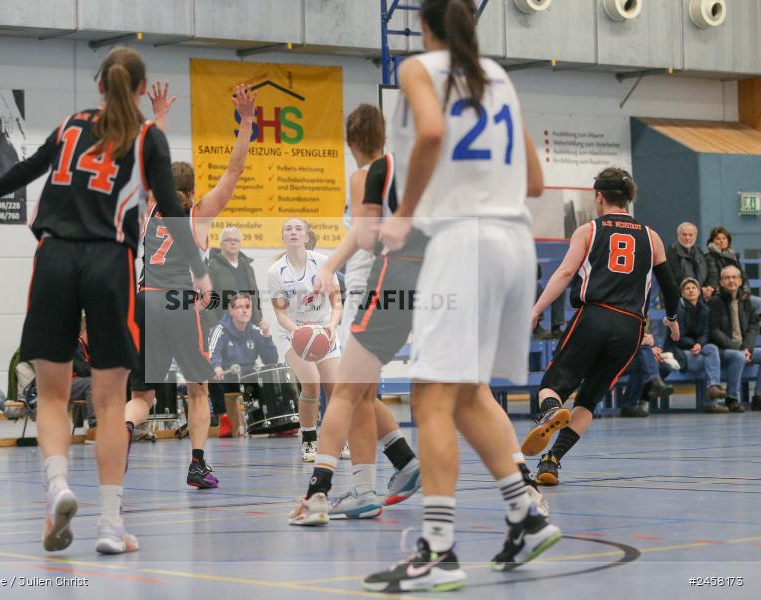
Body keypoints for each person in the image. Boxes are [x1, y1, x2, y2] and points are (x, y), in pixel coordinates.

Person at [0, 47, 207, 554]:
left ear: (100, 86)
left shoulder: (72, 125)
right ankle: (110, 526)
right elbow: (170, 208)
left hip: (54, 258)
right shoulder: (147, 137)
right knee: (109, 401)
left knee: (52, 396)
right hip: (108, 264)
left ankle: (57, 486)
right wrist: (201, 271)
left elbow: (29, 166)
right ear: (140, 90)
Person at [363, 1, 561, 591]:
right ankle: (524, 514)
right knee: (468, 392)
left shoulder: (420, 70)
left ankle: (438, 552)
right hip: (515, 242)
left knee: (430, 397)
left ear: (423, 26)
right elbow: (534, 180)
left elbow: (428, 130)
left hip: (464, 241)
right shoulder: (498, 75)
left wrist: (404, 215)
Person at [289, 106, 430, 526]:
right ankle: (393, 469)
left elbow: (362, 235)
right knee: (363, 393)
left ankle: (325, 491)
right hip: (408, 281)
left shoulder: (364, 175)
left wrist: (330, 267)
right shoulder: (403, 172)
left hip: (370, 282)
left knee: (348, 393)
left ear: (349, 142)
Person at [125, 82, 256, 489]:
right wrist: (247, 121)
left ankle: (125, 429)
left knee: (143, 397)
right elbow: (234, 171)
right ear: (194, 188)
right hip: (180, 304)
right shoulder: (199, 214)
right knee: (198, 390)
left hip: (145, 303)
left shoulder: (149, 207)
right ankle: (197, 464)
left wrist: (159, 118)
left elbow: (145, 161)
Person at [522, 167, 681, 488]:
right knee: (589, 400)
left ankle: (551, 410)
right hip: (631, 327)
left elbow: (566, 273)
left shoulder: (588, 230)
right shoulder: (652, 236)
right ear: (628, 198)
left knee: (550, 386)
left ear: (599, 197)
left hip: (594, 316)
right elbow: (670, 286)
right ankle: (551, 461)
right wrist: (673, 318)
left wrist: (536, 309)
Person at [267, 217, 344, 463]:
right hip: (293, 332)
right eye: (288, 228)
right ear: (283, 237)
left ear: (306, 236)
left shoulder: (323, 263)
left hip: (324, 329)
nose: (293, 232)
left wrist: (331, 326)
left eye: (298, 228)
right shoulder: (275, 271)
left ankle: (337, 441)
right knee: (311, 383)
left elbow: (337, 302)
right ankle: (309, 441)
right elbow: (280, 313)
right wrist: (298, 332)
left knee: (335, 387)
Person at [208, 294, 279, 434]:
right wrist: (216, 367)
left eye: (247, 307)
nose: (245, 310)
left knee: (270, 376)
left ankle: (272, 419)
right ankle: (224, 419)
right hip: (228, 376)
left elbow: (270, 360)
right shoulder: (220, 330)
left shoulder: (255, 331)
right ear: (232, 311)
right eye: (240, 307)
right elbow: (212, 352)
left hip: (248, 377)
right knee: (213, 376)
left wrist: (266, 335)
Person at [664, 277, 732, 413]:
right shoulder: (677, 309)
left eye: (693, 288)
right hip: (680, 351)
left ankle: (713, 387)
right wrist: (694, 345)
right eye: (687, 288)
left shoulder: (704, 309)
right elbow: (677, 337)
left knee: (712, 349)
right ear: (682, 293)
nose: (691, 290)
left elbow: (705, 333)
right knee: (711, 361)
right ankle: (711, 403)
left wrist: (700, 344)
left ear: (699, 291)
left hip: (698, 349)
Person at [707, 265, 761, 412]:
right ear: (721, 282)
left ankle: (758, 398)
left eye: (734, 277)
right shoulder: (715, 302)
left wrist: (747, 348)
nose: (731, 281)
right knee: (738, 357)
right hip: (720, 350)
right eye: (727, 278)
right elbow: (714, 331)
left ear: (740, 281)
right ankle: (732, 399)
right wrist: (740, 349)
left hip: (743, 349)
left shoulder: (747, 302)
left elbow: (753, 327)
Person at [620, 323, 675, 418]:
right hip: (618, 359)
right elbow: (617, 343)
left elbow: (646, 337)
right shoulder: (618, 316)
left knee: (665, 368)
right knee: (641, 364)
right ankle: (628, 406)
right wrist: (640, 343)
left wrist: (653, 347)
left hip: (637, 355)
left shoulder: (642, 314)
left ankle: (643, 400)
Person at [704, 225, 761, 315]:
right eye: (718, 239)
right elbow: (711, 280)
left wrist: (746, 291)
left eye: (724, 238)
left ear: (728, 240)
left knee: (758, 303)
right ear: (712, 241)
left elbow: (743, 277)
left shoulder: (734, 257)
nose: (721, 241)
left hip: (737, 293)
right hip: (719, 295)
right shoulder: (708, 258)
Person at [668, 222, 713, 300]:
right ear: (678, 236)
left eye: (690, 235)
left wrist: (709, 288)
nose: (687, 238)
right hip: (679, 297)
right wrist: (697, 289)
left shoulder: (700, 252)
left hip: (701, 296)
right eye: (684, 235)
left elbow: (709, 272)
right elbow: (676, 276)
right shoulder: (671, 253)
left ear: (695, 236)